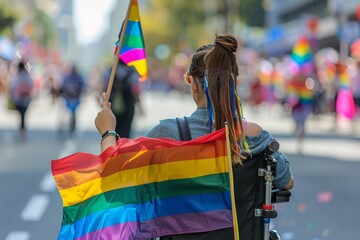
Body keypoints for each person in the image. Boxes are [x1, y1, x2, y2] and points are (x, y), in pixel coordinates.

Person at [95, 34, 294, 239]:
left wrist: (107, 130)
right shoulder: (253, 136)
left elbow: (113, 174)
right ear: (234, 83)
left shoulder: (169, 134)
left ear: (194, 84)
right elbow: (287, 181)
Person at [102, 59, 143, 138]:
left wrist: (103, 103)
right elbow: (136, 91)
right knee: (126, 130)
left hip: (111, 105)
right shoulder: (132, 72)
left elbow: (104, 88)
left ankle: (114, 148)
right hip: (128, 104)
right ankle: (124, 149)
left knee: (112, 130)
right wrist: (140, 105)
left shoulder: (110, 71)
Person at [9, 61, 34, 140]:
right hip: (26, 100)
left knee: (21, 116)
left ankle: (21, 132)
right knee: (23, 116)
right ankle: (23, 132)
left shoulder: (16, 77)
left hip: (18, 100)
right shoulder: (27, 76)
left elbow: (12, 87)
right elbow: (31, 85)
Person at [59, 64, 86, 136]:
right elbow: (62, 87)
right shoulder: (67, 77)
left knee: (73, 113)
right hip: (68, 98)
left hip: (75, 98)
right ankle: (64, 126)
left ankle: (72, 126)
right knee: (66, 113)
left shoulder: (79, 78)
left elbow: (83, 86)